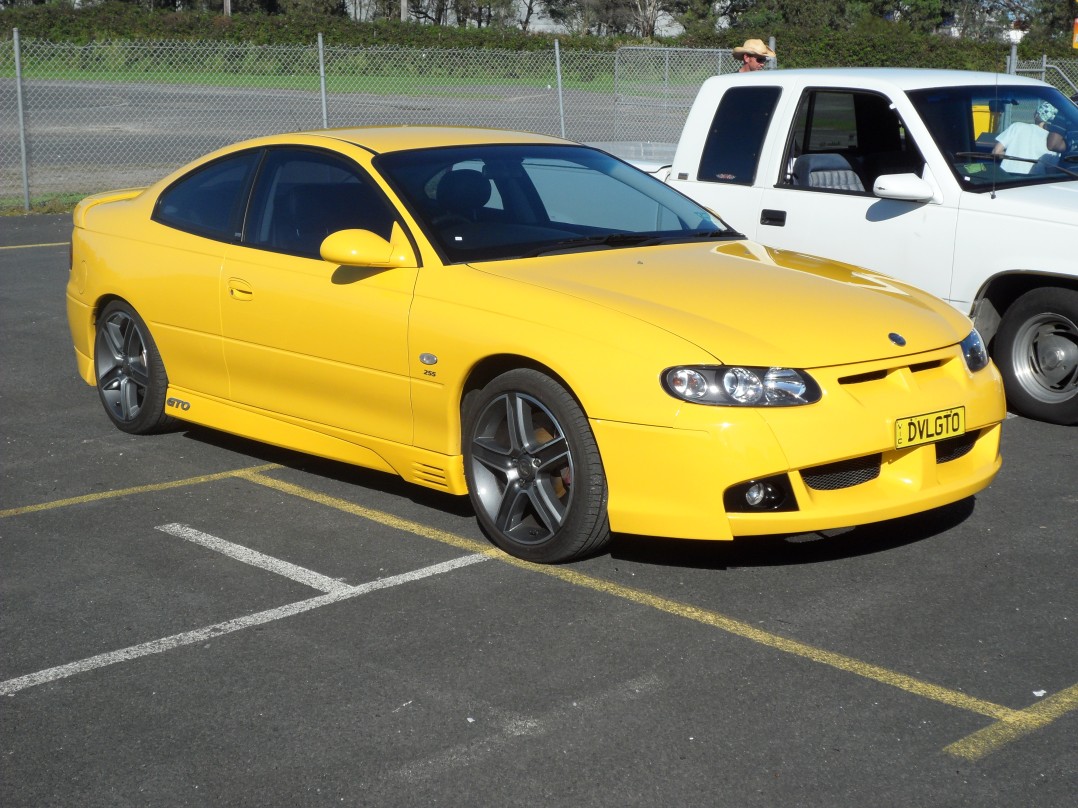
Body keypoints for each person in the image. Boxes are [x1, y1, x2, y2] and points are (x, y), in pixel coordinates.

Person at [992, 100, 1066, 174]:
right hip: (1032, 183)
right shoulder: (1053, 142)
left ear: (1036, 115)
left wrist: (1011, 155)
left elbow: (996, 152)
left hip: (1005, 179)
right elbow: (1051, 173)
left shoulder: (1017, 126)